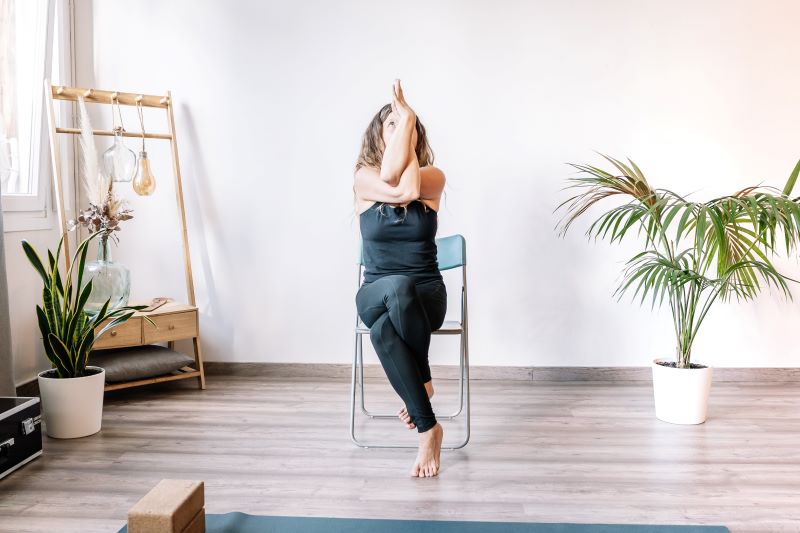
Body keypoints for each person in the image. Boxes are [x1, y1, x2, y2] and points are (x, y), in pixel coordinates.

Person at [352, 79, 448, 478]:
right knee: (394, 286)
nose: (400, 127)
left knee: (381, 333)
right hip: (374, 291)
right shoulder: (362, 177)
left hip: (426, 296)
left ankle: (428, 429)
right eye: (391, 123)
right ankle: (423, 384)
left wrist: (403, 126)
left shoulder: (434, 177)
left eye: (407, 124)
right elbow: (395, 181)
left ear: (415, 136)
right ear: (378, 135)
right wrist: (403, 119)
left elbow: (407, 184)